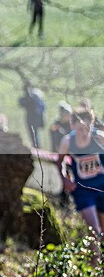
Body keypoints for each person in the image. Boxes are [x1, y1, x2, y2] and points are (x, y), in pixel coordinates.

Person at [56, 109, 104, 260]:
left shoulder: (99, 137)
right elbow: (59, 161)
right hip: (83, 190)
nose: (84, 133)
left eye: (87, 128)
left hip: (101, 186)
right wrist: (64, 179)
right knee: (94, 229)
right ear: (73, 126)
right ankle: (94, 265)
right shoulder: (67, 142)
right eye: (80, 129)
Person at [19, 84, 46, 149]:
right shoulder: (37, 95)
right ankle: (36, 145)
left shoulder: (34, 96)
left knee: (34, 131)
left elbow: (24, 103)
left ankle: (36, 146)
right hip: (34, 116)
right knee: (34, 131)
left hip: (33, 117)